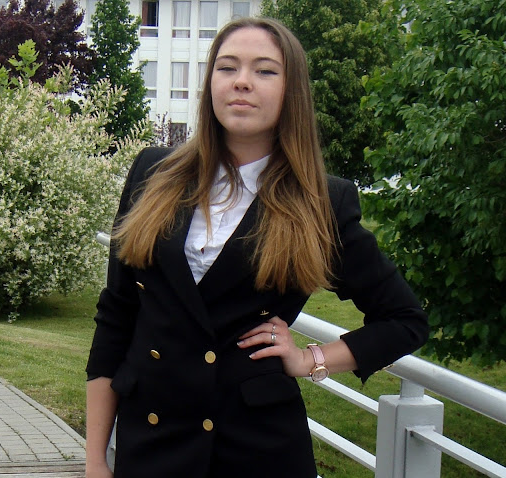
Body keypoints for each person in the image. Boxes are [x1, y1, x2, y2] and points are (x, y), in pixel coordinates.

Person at [85, 16, 428, 478]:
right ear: (210, 84)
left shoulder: (321, 202)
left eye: (264, 70)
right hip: (151, 444)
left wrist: (310, 359)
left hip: (257, 449)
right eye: (227, 68)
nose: (242, 82)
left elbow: (404, 319)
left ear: (291, 91)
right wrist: (94, 461)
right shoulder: (153, 172)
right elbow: (116, 317)